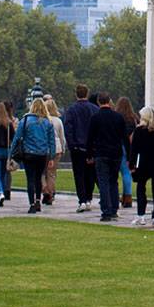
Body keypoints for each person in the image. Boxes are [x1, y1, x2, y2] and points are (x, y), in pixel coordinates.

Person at [91, 91, 131, 221]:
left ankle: (106, 210)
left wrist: (89, 153)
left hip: (101, 153)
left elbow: (90, 138)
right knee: (113, 181)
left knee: (103, 182)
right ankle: (114, 208)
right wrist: (129, 156)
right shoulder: (118, 117)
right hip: (116, 153)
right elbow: (124, 138)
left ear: (98, 102)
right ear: (109, 101)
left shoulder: (95, 117)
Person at [13, 99, 56, 214]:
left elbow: (17, 138)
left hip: (29, 153)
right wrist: (51, 156)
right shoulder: (48, 122)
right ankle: (38, 200)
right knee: (38, 178)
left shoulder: (25, 120)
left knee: (30, 179)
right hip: (42, 154)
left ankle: (32, 203)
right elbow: (51, 141)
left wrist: (11, 154)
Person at [63, 85, 100, 213]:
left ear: (76, 94)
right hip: (92, 147)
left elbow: (68, 129)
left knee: (79, 175)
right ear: (87, 93)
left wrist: (72, 144)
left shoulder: (71, 110)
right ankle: (88, 198)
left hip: (78, 147)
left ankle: (82, 200)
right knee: (90, 174)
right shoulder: (95, 109)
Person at [42, 95, 67, 205]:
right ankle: (51, 193)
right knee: (51, 173)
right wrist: (63, 148)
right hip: (56, 149)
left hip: (44, 148)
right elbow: (62, 137)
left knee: (42, 173)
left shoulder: (42, 120)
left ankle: (45, 190)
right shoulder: (58, 121)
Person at [115, 96, 137, 210]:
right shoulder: (133, 119)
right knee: (126, 173)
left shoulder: (116, 117)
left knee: (114, 173)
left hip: (117, 146)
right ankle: (127, 197)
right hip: (129, 147)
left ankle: (115, 196)